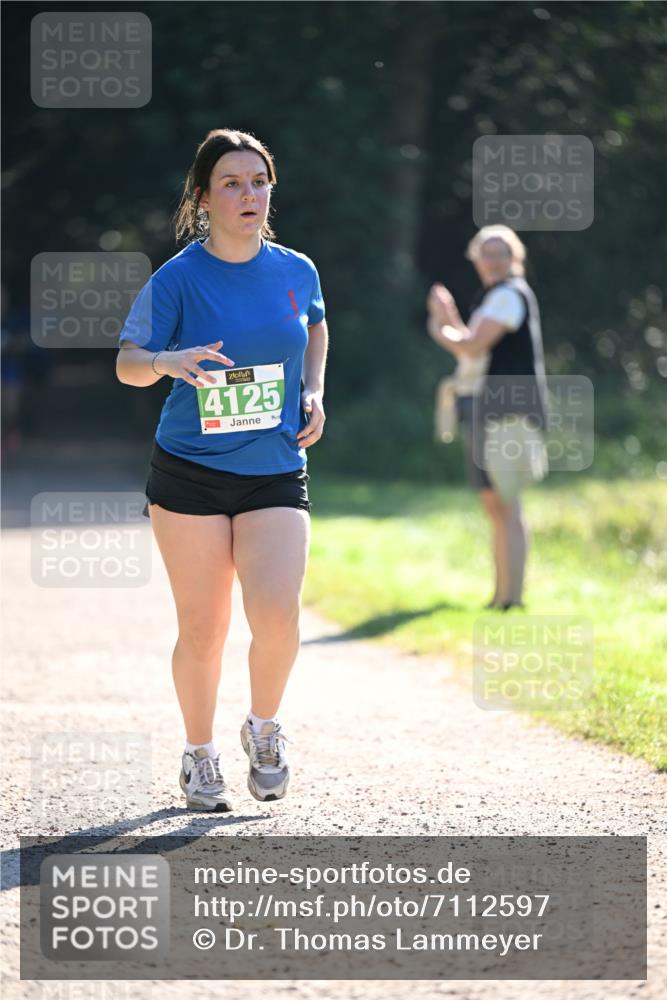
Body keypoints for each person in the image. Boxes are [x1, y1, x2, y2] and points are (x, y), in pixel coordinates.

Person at [116, 129, 328, 811]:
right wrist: (165, 362)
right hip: (190, 473)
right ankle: (199, 756)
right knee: (203, 628)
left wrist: (314, 390)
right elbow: (126, 362)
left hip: (273, 467)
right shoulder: (178, 278)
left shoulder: (297, 269)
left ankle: (263, 728)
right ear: (203, 198)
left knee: (277, 616)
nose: (249, 194)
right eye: (232, 183)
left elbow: (315, 326)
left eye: (258, 180)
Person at [427, 225, 547, 610]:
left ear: (515, 259)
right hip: (488, 409)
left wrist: (439, 324)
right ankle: (501, 596)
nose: (493, 261)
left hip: (507, 410)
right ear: (477, 258)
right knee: (495, 506)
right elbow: (473, 347)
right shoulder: (496, 298)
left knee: (507, 504)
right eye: (487, 253)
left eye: (501, 254)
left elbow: (471, 345)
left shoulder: (509, 296)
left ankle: (512, 599)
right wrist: (449, 320)